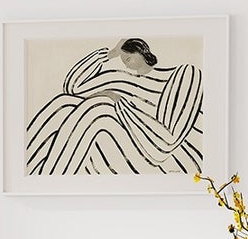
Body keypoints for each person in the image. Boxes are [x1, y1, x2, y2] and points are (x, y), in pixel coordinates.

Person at [26, 37, 205, 177]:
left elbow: (164, 145)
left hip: (168, 163)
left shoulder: (183, 75)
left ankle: (52, 183)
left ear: (142, 52)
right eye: (123, 58)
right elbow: (72, 87)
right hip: (121, 151)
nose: (125, 62)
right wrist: (110, 54)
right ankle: (27, 173)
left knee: (100, 108)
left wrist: (118, 104)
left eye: (128, 57)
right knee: (64, 104)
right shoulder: (123, 79)